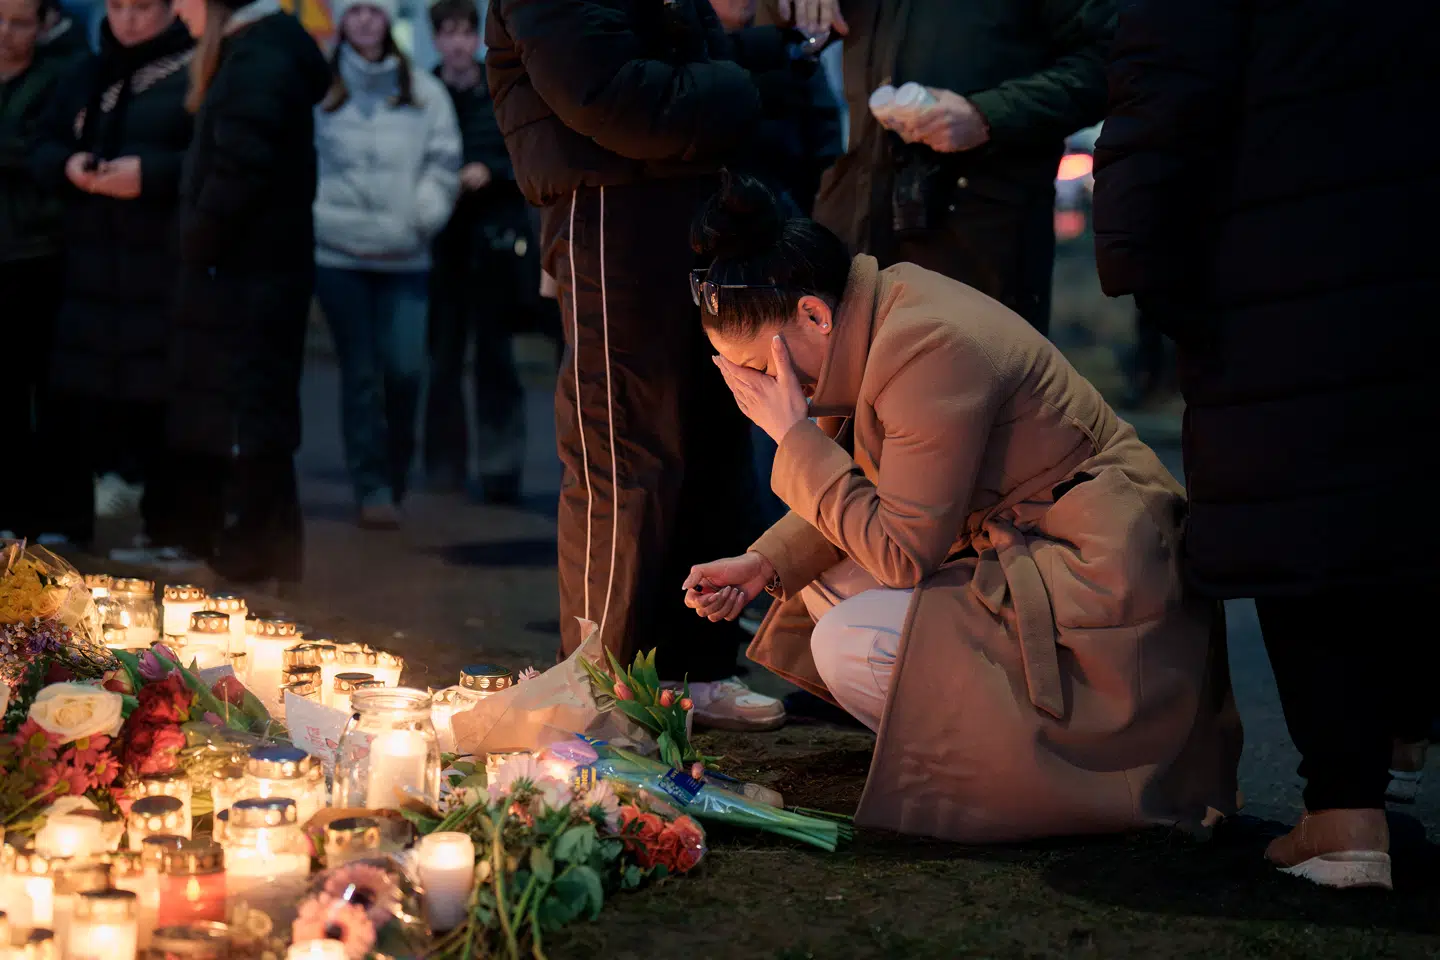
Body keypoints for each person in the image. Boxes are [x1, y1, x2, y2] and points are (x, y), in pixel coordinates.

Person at [683, 172, 1242, 842]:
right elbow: (869, 489)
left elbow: (898, 551)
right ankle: (966, 744)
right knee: (817, 578)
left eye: (761, 367)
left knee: (846, 638)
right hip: (1044, 556)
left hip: (1105, 592)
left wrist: (794, 436)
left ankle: (1019, 775)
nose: (761, 389)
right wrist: (760, 562)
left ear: (813, 314)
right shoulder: (883, 310)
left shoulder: (926, 345)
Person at [1092, 0, 1439, 890]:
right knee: (1403, 512)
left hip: (1281, 276)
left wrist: (1149, 273)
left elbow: (1162, 103)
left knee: (1306, 533)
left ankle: (1347, 817)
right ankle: (1398, 733)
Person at [486, 0, 828, 730]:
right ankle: (600, 683)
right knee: (626, 453)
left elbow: (680, 69)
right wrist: (742, 81)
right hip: (610, 215)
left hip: (686, 211)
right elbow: (618, 102)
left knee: (710, 441)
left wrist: (753, 54)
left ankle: (695, 671)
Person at [786, 0, 1113, 336]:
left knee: (967, 380)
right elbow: (756, 34)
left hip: (978, 234)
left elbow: (1112, 61)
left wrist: (986, 115)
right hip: (851, 232)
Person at [167, 0, 329, 586]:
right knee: (262, 406)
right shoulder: (263, 51)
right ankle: (270, 550)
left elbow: (240, 167)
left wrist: (196, 241)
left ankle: (259, 550)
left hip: (254, 268)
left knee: (255, 407)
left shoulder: (258, 59)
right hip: (266, 265)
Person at [29, 0, 195, 560]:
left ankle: (168, 526)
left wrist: (151, 176)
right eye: (119, 6)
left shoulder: (194, 70)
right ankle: (67, 522)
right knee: (77, 395)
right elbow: (45, 142)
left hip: (161, 262)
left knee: (163, 396)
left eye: (142, 7)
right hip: (87, 260)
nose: (128, 19)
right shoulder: (86, 70)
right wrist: (67, 166)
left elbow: (207, 159)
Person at [312, 0, 459, 528]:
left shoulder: (424, 92)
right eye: (356, 12)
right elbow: (301, 159)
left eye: (375, 11)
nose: (366, 22)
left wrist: (419, 218)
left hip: (405, 255)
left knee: (404, 371)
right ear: (344, 21)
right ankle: (371, 485)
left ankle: (394, 474)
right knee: (360, 374)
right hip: (338, 254)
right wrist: (318, 217)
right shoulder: (320, 90)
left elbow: (444, 162)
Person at [423, 0, 534, 504]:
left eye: (464, 32)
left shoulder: (497, 89)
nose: (457, 43)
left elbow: (523, 155)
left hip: (490, 244)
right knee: (441, 361)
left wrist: (492, 171)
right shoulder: (424, 91)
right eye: (447, 33)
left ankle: (500, 469)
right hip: (441, 247)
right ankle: (442, 466)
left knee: (495, 360)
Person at [0, 0, 68, 541]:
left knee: (33, 386)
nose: (5, 32)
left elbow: (50, 157)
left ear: (44, 25)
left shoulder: (58, 80)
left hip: (33, 253)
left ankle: (34, 518)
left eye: (19, 21)